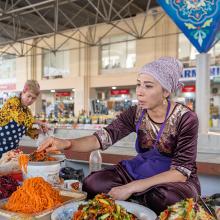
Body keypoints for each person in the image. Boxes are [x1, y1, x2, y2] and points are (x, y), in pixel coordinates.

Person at [38, 57, 200, 214]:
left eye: (148, 86)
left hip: (173, 178)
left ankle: (135, 197)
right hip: (141, 169)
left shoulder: (186, 118)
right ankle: (136, 201)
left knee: (166, 198)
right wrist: (66, 143)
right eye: (138, 85)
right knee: (93, 183)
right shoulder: (136, 113)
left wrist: (130, 187)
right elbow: (101, 138)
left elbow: (180, 172)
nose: (139, 92)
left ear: (165, 91)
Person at [0, 80, 48, 158]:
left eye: (33, 98)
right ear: (23, 92)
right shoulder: (12, 102)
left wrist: (40, 131)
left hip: (12, 151)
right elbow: (20, 118)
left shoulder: (28, 112)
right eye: (29, 96)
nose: (30, 100)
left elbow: (27, 131)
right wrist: (38, 122)